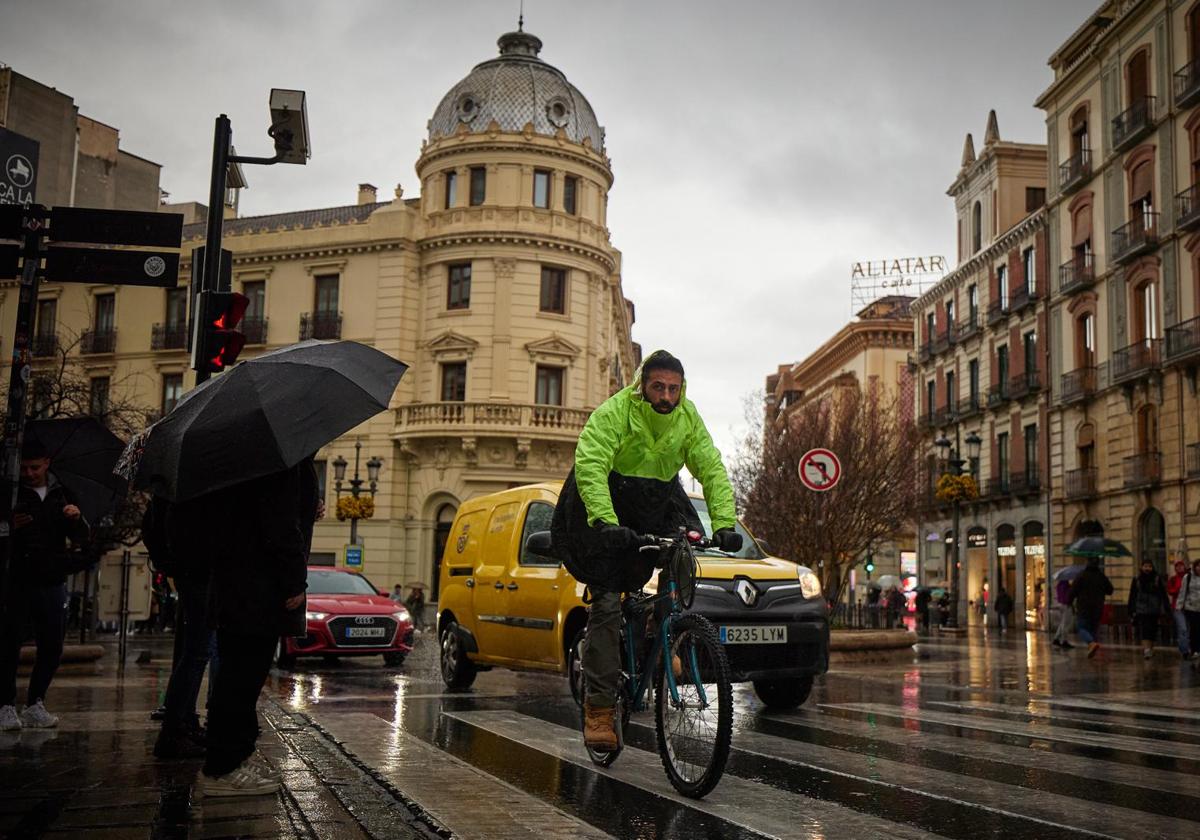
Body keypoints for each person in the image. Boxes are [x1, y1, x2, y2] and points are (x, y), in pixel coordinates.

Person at [551, 350, 741, 752]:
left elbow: (710, 467)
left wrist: (724, 522)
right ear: (643, 385)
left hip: (655, 498)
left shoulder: (687, 417)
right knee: (606, 605)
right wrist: (603, 520)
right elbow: (591, 462)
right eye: (658, 387)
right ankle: (599, 709)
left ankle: (662, 627)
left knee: (684, 550)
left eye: (673, 388)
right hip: (603, 499)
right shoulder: (615, 412)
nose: (666, 396)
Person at [196, 458, 315, 797]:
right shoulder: (275, 462)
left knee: (238, 677)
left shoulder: (240, 464)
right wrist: (295, 581)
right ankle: (222, 768)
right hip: (258, 589)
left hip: (239, 585)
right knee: (241, 679)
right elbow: (279, 526)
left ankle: (235, 757)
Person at [0, 440, 91, 732]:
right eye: (24, 467)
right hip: (16, 579)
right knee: (8, 644)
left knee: (51, 645)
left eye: (34, 467)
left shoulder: (61, 492)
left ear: (47, 463)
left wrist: (76, 519)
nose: (29, 473)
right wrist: (8, 527)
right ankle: (5, 705)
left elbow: (81, 537)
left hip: (51, 578)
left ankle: (35, 702)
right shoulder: (9, 491)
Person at [1069, 558, 1113, 658]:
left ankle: (1091, 643)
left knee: (1081, 628)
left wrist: (1069, 602)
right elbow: (1110, 590)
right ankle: (1092, 647)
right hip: (1098, 607)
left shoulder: (1081, 575)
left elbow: (1073, 591)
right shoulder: (1101, 576)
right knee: (1093, 628)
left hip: (1084, 607)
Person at [1128, 559, 1169, 660]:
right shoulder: (1137, 579)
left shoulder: (1157, 579)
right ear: (1141, 567)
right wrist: (1131, 609)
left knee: (1153, 630)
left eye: (1149, 566)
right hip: (1141, 609)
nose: (1147, 568)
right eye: (1145, 566)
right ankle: (1146, 650)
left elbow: (1163, 594)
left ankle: (1150, 649)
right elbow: (1132, 595)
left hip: (1154, 609)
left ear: (1152, 567)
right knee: (1145, 629)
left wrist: (1166, 607)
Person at [1167, 559, 1190, 659]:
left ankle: (1190, 648)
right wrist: (1179, 589)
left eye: (1181, 566)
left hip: (1190, 606)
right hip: (1177, 607)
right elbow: (1170, 591)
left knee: (1189, 629)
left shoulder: (1189, 577)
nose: (1180, 567)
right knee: (1182, 628)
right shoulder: (1173, 579)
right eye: (1177, 566)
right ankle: (1184, 650)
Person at [1178, 558, 1200, 662]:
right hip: (1191, 607)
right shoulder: (1188, 577)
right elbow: (1183, 592)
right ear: (1194, 567)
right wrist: (1179, 606)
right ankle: (1195, 650)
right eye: (1198, 566)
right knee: (1194, 629)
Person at [1052, 576, 1075, 649]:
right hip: (1066, 605)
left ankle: (1056, 638)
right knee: (1066, 624)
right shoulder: (1066, 585)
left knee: (1062, 623)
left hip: (1060, 604)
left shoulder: (1059, 585)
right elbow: (1068, 595)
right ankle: (1064, 641)